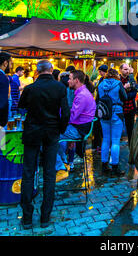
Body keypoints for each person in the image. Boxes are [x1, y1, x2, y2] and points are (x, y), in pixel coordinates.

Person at [18, 60, 70, 229]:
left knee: (28, 173)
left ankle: (27, 218)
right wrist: (60, 129)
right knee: (49, 174)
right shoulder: (60, 88)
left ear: (37, 71)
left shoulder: (30, 88)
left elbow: (21, 107)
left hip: (33, 132)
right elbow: (66, 113)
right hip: (51, 132)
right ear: (51, 70)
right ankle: (45, 216)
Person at [55, 70, 96, 181]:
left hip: (79, 130)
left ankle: (61, 166)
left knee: (48, 136)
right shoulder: (82, 93)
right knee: (51, 134)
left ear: (76, 80)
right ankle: (63, 162)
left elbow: (71, 117)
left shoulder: (82, 95)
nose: (68, 81)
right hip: (79, 128)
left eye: (70, 78)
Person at [98, 68, 127, 177]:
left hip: (104, 114)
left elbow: (98, 99)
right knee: (115, 142)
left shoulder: (101, 84)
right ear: (116, 75)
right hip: (116, 114)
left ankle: (104, 165)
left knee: (105, 139)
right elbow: (125, 97)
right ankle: (115, 167)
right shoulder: (118, 83)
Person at [119, 63, 137, 147]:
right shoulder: (118, 80)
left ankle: (131, 145)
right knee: (118, 129)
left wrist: (125, 96)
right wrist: (125, 89)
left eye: (128, 69)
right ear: (120, 70)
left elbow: (134, 93)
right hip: (120, 108)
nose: (127, 71)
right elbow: (118, 94)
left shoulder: (131, 79)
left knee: (130, 128)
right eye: (125, 69)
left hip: (130, 108)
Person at [92, 65, 108, 151]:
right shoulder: (102, 79)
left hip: (102, 105)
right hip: (99, 104)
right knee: (98, 125)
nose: (99, 73)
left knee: (100, 125)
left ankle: (100, 145)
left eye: (100, 71)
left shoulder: (106, 80)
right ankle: (98, 144)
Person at [0, 52, 12, 127]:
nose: (11, 67)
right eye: (11, 63)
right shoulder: (2, 78)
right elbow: (2, 102)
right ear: (5, 63)